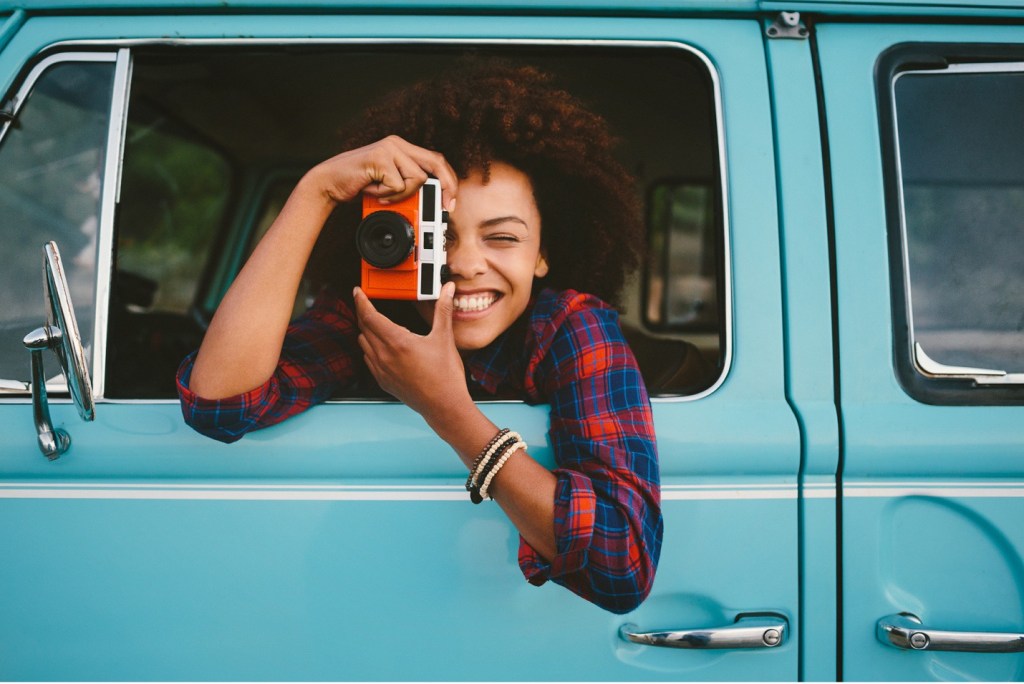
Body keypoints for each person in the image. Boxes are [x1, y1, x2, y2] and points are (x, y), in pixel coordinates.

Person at [176, 57, 662, 614]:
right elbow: (218, 406)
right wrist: (317, 191)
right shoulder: (377, 313)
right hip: (352, 601)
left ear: (544, 254)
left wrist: (447, 409)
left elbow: (621, 564)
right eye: (435, 236)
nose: (465, 263)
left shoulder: (570, 326)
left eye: (502, 238)